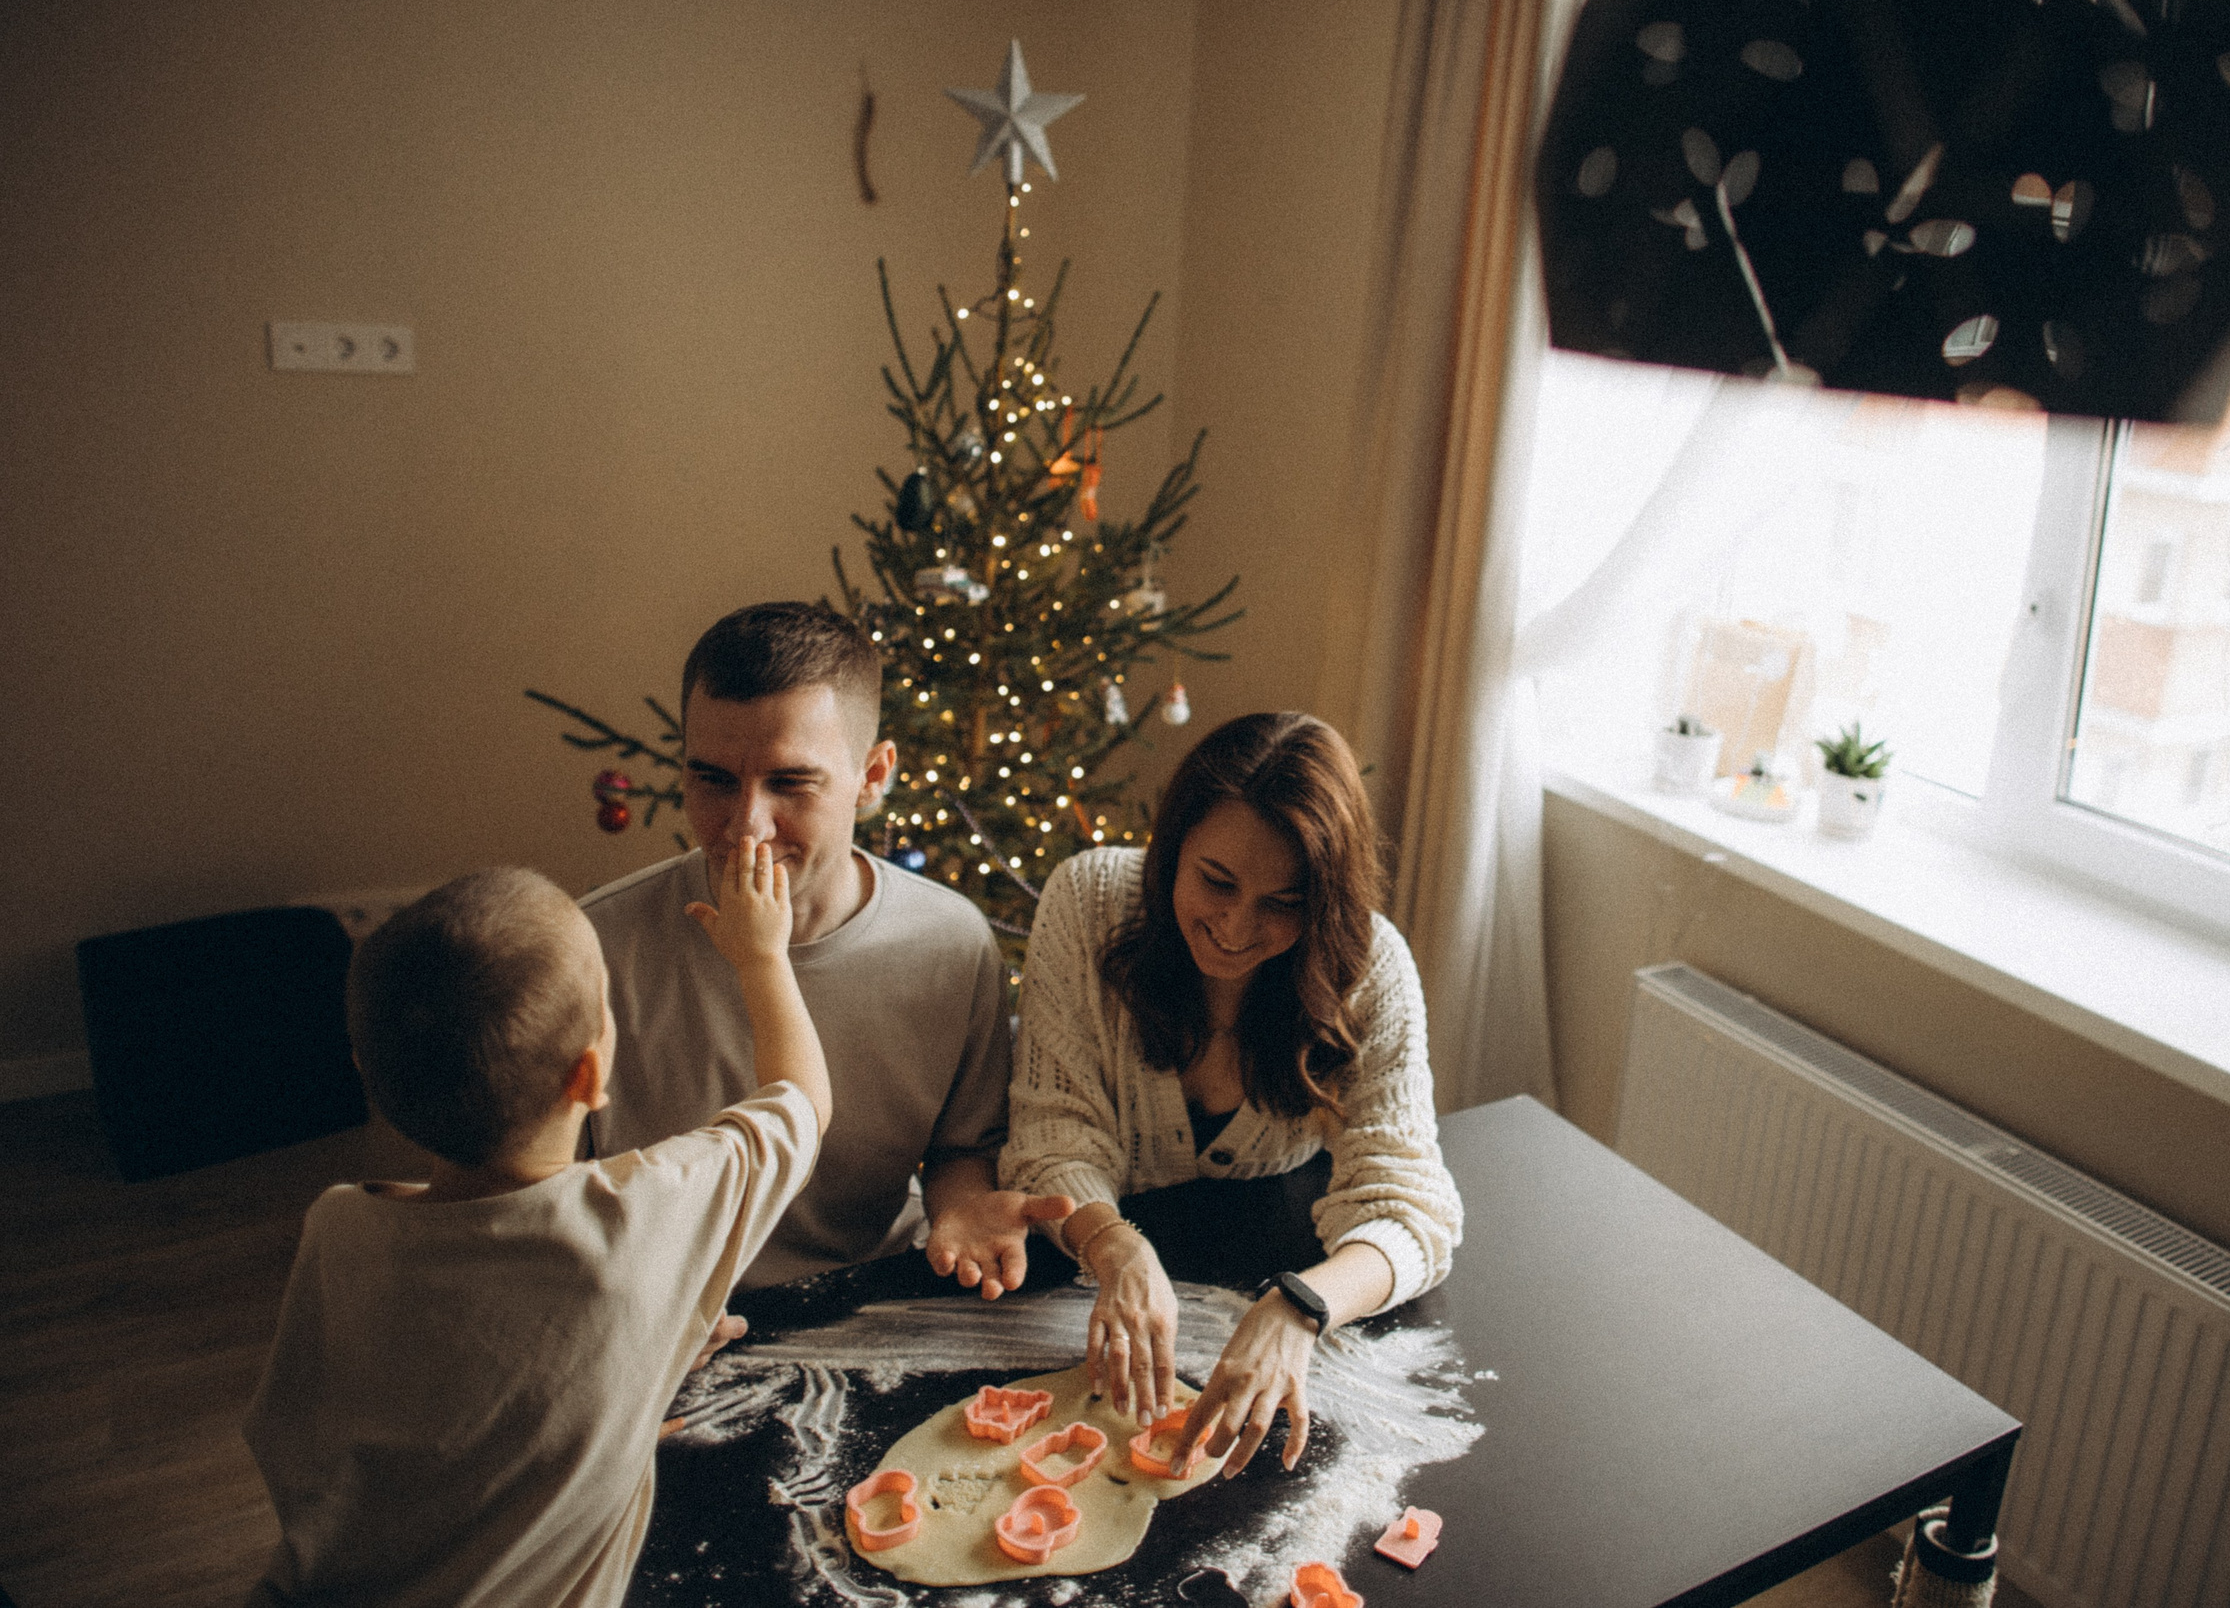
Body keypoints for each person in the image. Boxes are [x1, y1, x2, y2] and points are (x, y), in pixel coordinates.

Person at [243, 851, 827, 1607]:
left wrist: (636, 1364)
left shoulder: (338, 1226)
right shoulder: (639, 1219)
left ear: (369, 1073)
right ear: (588, 1075)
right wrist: (762, 955)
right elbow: (803, 1104)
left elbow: (327, 1427)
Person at [1002, 711, 1463, 1480]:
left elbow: (1410, 1208)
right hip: (1083, 1267)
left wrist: (1300, 1308)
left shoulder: (1372, 967)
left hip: (1279, 1245)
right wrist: (1114, 1245)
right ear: (1171, 845)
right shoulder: (1087, 902)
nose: (1235, 926)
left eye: (1282, 902)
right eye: (1216, 880)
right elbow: (1053, 1134)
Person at [583, 601, 1066, 1306]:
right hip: (647, 1308)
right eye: (713, 778)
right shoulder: (593, 944)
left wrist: (959, 1206)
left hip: (863, 1300)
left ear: (872, 777)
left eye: (790, 782)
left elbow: (963, 1146)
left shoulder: (951, 944)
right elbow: (537, 1189)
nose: (746, 825)